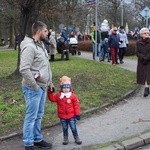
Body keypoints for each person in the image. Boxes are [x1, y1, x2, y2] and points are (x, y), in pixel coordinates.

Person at [19, 21, 53, 150]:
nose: (47, 33)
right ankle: (28, 143)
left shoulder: (40, 45)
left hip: (42, 87)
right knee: (31, 116)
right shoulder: (30, 47)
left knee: (39, 115)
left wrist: (50, 82)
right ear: (39, 31)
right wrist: (34, 86)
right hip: (33, 88)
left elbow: (44, 66)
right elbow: (24, 69)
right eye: (45, 31)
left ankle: (37, 139)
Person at [47, 75, 82, 145]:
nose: (66, 89)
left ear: (70, 88)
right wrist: (50, 92)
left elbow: (76, 105)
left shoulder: (73, 96)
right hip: (62, 117)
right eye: (64, 87)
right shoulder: (58, 95)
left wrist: (77, 113)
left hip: (72, 116)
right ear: (61, 87)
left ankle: (76, 137)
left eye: (67, 87)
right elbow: (52, 99)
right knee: (64, 128)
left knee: (73, 128)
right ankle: (65, 138)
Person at [135, 27, 150, 97]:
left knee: (148, 74)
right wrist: (142, 57)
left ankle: (146, 88)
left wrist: (147, 57)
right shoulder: (138, 42)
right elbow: (137, 52)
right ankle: (147, 87)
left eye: (148, 33)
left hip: (149, 60)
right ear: (141, 35)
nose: (147, 34)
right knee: (143, 74)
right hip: (141, 61)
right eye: (145, 33)